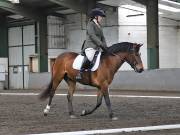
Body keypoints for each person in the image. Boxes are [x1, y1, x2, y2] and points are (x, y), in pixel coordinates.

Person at [76, 8, 108, 80]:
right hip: (90, 46)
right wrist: (101, 44)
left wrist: (105, 46)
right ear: (95, 17)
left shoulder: (99, 25)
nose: (101, 18)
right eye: (100, 16)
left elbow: (102, 37)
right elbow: (92, 35)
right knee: (90, 57)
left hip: (98, 47)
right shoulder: (90, 24)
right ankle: (80, 72)